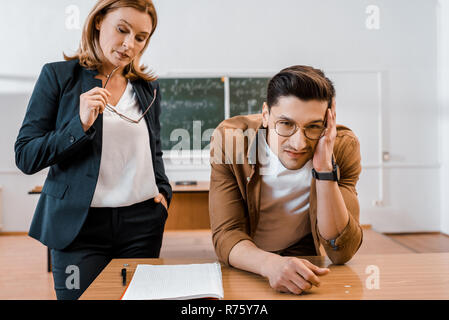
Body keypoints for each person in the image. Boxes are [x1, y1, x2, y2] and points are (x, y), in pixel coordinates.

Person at [14, 0, 171, 300]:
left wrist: (163, 193)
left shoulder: (147, 88)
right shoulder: (59, 77)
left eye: (140, 37)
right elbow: (25, 155)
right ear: (99, 21)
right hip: (78, 230)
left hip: (141, 226)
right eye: (122, 30)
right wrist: (79, 125)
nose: (129, 44)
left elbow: (155, 151)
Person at [208, 65, 363, 295]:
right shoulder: (231, 140)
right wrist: (270, 265)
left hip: (301, 256)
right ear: (265, 115)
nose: (298, 143)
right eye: (286, 124)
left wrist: (324, 170)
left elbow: (341, 252)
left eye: (313, 126)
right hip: (247, 259)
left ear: (327, 123)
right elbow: (226, 235)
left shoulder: (342, 147)